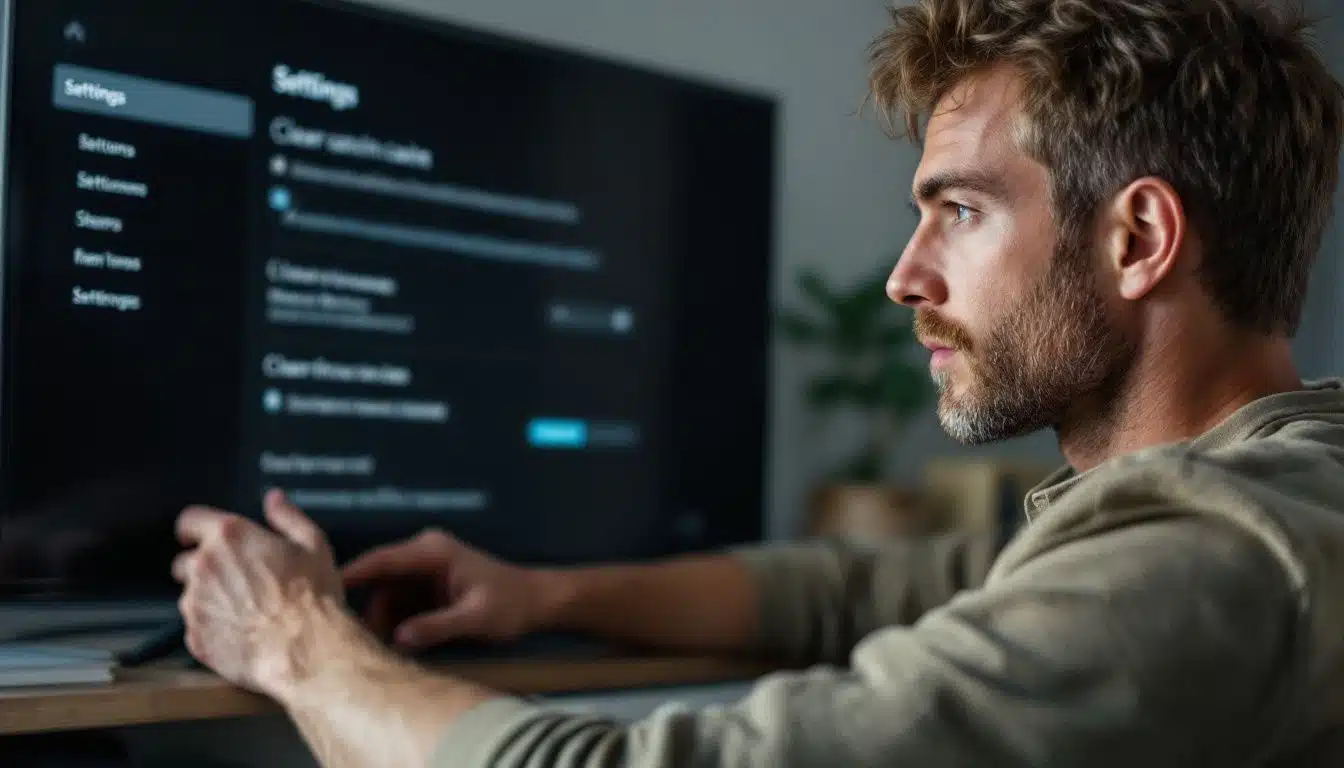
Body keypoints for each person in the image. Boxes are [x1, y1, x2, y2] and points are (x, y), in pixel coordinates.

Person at [171, 0, 1344, 765]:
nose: (903, 277)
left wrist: (293, 641)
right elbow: (851, 592)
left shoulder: (1228, 553)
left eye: (961, 210)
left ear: (1137, 239)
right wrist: (543, 596)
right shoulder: (1248, 496)